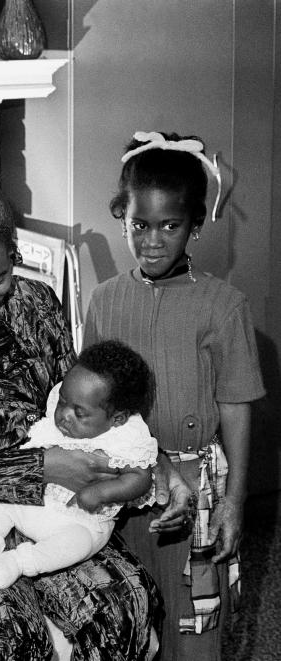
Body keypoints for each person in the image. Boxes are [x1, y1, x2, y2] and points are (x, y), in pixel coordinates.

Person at [0, 133, 184, 661]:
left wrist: (150, 458)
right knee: (11, 638)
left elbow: (84, 406)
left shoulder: (35, 304)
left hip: (56, 508)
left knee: (126, 605)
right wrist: (38, 470)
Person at [84, 131, 265, 661]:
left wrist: (235, 502)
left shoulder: (223, 305)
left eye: (170, 226)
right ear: (122, 216)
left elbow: (235, 404)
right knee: (132, 619)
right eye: (140, 224)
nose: (153, 240)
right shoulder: (104, 301)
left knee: (194, 631)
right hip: (126, 487)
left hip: (199, 493)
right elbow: (91, 403)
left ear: (196, 226)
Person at [0, 340, 157, 590]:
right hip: (38, 500)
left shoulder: (128, 436)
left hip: (82, 520)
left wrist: (100, 492)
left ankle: (19, 562)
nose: (64, 414)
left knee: (79, 544)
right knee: (4, 496)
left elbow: (141, 477)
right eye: (63, 401)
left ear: (116, 418)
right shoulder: (68, 399)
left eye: (79, 413)